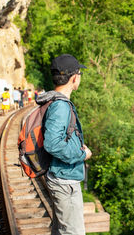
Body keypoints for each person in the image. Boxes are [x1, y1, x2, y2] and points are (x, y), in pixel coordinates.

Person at [37, 54, 92, 235]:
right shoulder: (60, 106)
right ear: (74, 77)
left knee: (61, 230)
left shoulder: (53, 100)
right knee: (72, 232)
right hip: (64, 180)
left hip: (63, 177)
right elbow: (52, 144)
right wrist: (82, 154)